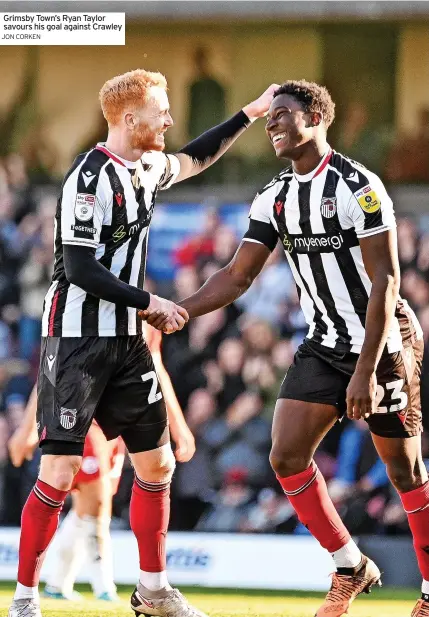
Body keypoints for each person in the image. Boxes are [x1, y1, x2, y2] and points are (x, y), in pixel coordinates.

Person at [144, 80, 429, 617]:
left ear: (315, 118)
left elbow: (387, 282)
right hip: (323, 344)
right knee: (286, 457)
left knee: (404, 472)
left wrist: (365, 373)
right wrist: (177, 309)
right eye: (269, 116)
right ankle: (350, 565)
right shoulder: (274, 196)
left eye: (281, 114)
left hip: (381, 343)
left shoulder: (359, 187)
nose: (271, 123)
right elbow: (236, 276)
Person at [7, 68, 276, 617]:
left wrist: (249, 113)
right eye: (162, 111)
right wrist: (149, 302)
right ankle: (26, 598)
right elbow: (79, 267)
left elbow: (198, 156)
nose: (171, 120)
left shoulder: (149, 167)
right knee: (57, 475)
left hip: (127, 343)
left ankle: (153, 591)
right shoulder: (87, 179)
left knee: (156, 468)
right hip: (77, 338)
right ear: (130, 119)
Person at [8, 324, 190, 603]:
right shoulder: (82, 308)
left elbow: (156, 369)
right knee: (96, 504)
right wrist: (26, 429)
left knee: (89, 510)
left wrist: (178, 427)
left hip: (116, 428)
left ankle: (58, 583)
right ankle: (102, 585)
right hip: (84, 421)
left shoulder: (146, 315)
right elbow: (52, 365)